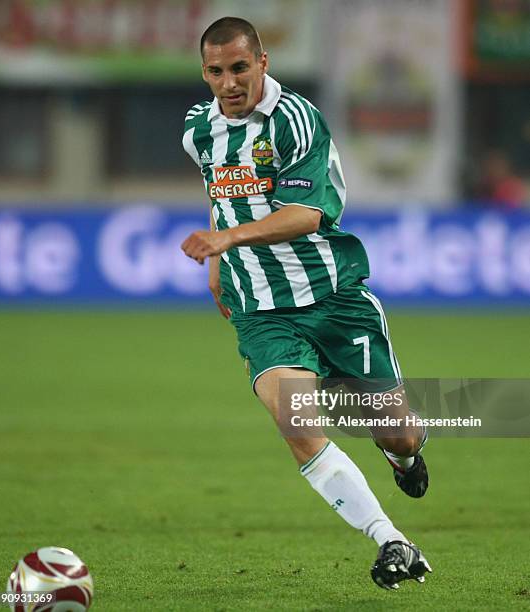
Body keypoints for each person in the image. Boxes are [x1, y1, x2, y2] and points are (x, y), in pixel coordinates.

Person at [181, 17, 431, 590]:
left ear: (263, 62)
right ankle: (389, 539)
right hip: (262, 309)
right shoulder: (198, 128)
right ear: (204, 72)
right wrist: (222, 263)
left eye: (240, 68)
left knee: (396, 430)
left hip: (333, 298)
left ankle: (405, 456)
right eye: (216, 71)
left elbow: (308, 215)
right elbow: (220, 192)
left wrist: (226, 241)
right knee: (296, 420)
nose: (229, 83)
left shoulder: (296, 120)